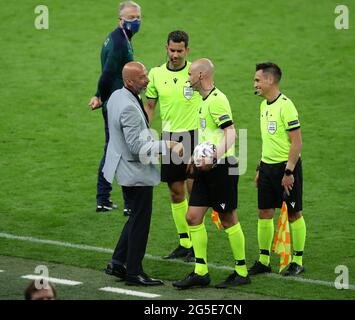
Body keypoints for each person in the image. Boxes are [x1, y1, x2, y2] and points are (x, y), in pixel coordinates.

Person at [103, 62, 184, 286]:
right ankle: (134, 273)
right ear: (129, 81)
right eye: (142, 77)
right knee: (141, 222)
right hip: (134, 172)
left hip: (123, 166)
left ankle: (118, 262)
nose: (147, 80)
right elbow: (136, 147)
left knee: (135, 217)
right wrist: (166, 145)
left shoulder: (117, 96)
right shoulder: (128, 106)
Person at [172, 59, 251, 289]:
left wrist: (213, 156)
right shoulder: (202, 101)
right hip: (204, 169)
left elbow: (231, 133)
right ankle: (201, 271)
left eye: (190, 74)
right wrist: (195, 158)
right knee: (192, 217)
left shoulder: (217, 101)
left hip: (222, 168)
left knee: (228, 219)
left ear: (201, 76)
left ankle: (241, 271)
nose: (187, 78)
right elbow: (208, 135)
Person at [145, 31, 202, 262]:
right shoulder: (156, 74)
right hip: (170, 139)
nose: (175, 54)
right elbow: (149, 106)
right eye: (172, 50)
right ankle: (184, 243)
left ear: (187, 50)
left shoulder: (196, 73)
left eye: (180, 50)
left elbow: (209, 102)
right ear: (166, 48)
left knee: (194, 192)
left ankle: (197, 247)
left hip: (194, 137)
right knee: (175, 192)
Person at [248, 62, 306, 277]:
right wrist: (259, 168)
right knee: (264, 213)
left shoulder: (286, 106)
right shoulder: (263, 106)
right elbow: (268, 141)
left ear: (270, 80)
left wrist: (289, 172)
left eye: (257, 80)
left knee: (293, 213)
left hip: (285, 168)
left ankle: (297, 260)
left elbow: (297, 142)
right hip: (267, 168)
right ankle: (264, 260)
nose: (255, 84)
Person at [88, 1, 142, 214]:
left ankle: (103, 198)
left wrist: (100, 95)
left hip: (115, 102)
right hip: (118, 105)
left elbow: (108, 73)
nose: (135, 21)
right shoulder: (120, 43)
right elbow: (108, 73)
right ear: (120, 19)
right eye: (130, 18)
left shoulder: (117, 37)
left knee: (113, 149)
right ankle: (129, 204)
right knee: (127, 151)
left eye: (138, 17)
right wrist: (100, 95)